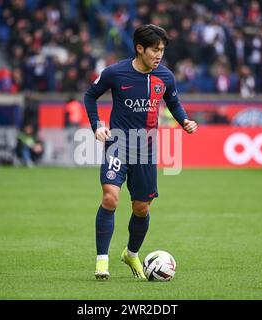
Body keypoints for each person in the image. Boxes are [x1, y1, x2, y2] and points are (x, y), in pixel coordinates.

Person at [84, 24, 198, 280]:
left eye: (162, 51)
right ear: (139, 48)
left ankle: (131, 253)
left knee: (141, 208)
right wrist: (96, 126)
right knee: (110, 198)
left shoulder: (166, 77)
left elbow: (174, 102)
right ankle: (102, 261)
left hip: (146, 150)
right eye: (155, 50)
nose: (159, 55)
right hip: (119, 144)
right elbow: (90, 96)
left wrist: (185, 121)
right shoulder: (115, 72)